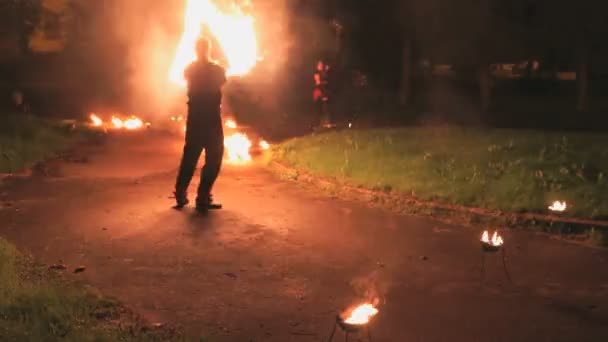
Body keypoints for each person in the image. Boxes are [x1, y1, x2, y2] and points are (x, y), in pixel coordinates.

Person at [174, 38, 226, 213]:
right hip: (211, 118)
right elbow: (222, 82)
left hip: (195, 117)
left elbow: (187, 81)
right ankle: (203, 196)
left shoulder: (189, 69)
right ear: (208, 50)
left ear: (195, 50)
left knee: (191, 155)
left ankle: (181, 193)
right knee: (214, 157)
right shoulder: (217, 69)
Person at [313, 60, 332, 128]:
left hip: (323, 91)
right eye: (320, 65)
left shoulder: (322, 72)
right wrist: (323, 95)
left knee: (325, 107)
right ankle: (318, 124)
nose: (321, 66)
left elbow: (324, 79)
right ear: (317, 66)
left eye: (322, 64)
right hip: (319, 93)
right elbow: (318, 83)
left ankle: (326, 123)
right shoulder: (316, 73)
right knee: (320, 109)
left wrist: (326, 71)